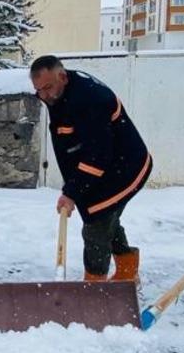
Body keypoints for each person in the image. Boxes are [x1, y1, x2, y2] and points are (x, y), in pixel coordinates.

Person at [30, 55, 153, 281]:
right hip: (104, 166)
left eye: (47, 88)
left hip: (125, 168)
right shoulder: (59, 95)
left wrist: (72, 193)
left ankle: (94, 289)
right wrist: (73, 189)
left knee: (96, 224)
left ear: (63, 77)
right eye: (39, 91)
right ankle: (127, 275)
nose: (44, 95)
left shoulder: (88, 100)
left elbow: (98, 156)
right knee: (104, 217)